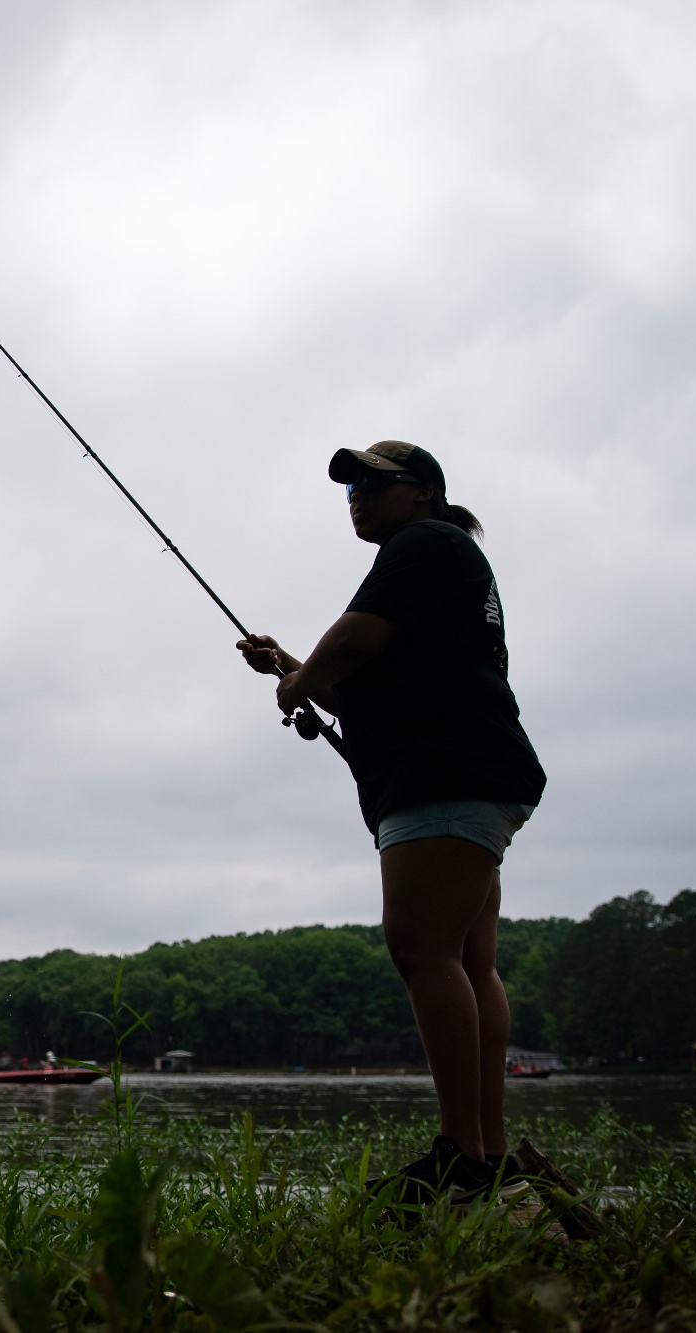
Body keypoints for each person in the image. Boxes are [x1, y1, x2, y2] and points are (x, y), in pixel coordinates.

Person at [238, 440, 545, 1206]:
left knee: (421, 947)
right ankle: (491, 1156)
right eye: (350, 489)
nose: (357, 497)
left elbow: (353, 642)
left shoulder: (425, 543)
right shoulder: (440, 565)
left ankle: (462, 1156)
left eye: (375, 483)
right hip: (476, 774)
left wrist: (304, 674)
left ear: (424, 494)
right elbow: (369, 688)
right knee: (470, 962)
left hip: (444, 778)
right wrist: (291, 669)